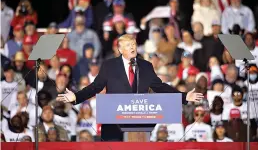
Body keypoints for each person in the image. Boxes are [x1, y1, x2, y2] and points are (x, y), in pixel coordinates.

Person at [56, 34, 204, 141]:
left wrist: (184, 96)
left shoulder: (145, 66)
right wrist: (76, 97)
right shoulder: (109, 66)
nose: (132, 47)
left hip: (139, 125)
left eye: (133, 44)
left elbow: (159, 86)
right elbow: (96, 86)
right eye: (128, 45)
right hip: (114, 124)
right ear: (120, 50)